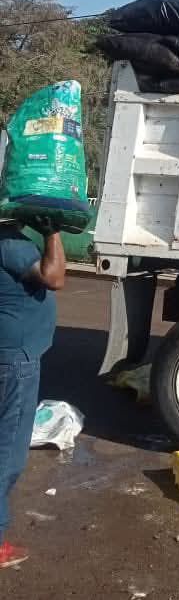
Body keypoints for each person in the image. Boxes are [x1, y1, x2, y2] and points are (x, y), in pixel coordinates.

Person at [0, 222, 65, 569]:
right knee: (8, 454)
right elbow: (55, 276)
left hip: (7, 354)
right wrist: (51, 232)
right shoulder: (10, 244)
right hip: (15, 360)